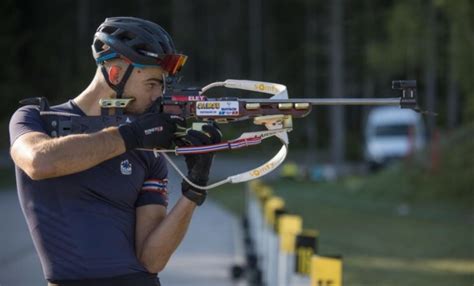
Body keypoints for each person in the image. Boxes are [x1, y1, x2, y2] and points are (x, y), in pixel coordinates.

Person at [9, 17, 220, 286]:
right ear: (115, 74)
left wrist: (195, 189)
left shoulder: (147, 145)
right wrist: (130, 135)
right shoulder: (33, 118)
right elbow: (39, 161)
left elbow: (152, 260)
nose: (158, 95)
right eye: (152, 84)